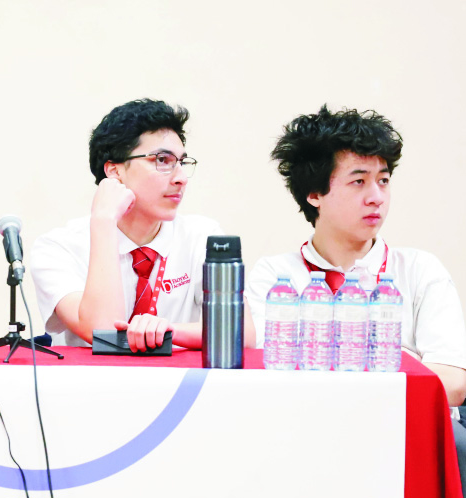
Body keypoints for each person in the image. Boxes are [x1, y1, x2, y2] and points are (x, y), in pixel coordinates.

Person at [246, 105, 466, 410]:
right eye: (359, 181)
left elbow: (453, 384)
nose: (376, 197)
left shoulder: (419, 270)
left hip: (406, 424)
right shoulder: (275, 277)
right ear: (315, 194)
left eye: (383, 180)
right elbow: (265, 372)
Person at [31, 98, 254, 351]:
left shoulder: (202, 236)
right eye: (162, 160)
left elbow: (243, 334)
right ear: (114, 171)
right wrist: (104, 222)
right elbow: (103, 332)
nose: (181, 178)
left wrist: (166, 331)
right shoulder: (58, 247)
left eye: (181, 163)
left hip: (179, 376)